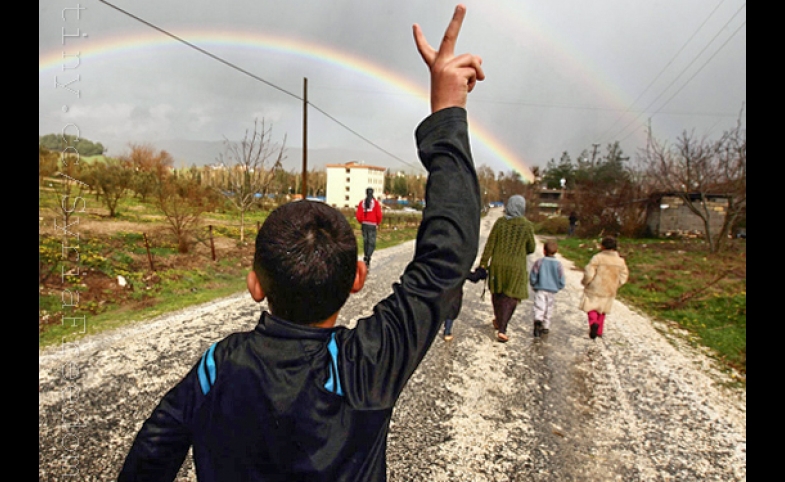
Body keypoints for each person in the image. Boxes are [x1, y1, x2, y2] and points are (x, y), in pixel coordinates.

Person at [118, 5, 484, 481]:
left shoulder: (218, 365)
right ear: (358, 278)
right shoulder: (368, 364)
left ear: (254, 284)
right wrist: (447, 112)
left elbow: (152, 451)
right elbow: (446, 259)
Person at [478, 194, 536, 342]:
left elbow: (490, 244)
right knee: (511, 297)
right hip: (516, 266)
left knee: (497, 293)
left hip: (498, 265)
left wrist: (483, 263)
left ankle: (498, 320)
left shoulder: (500, 223)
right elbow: (531, 248)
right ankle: (502, 328)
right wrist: (519, 250)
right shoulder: (527, 225)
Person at [579, 236, 629, 339]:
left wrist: (586, 282)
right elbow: (624, 275)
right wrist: (617, 284)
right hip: (609, 289)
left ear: (602, 246)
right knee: (602, 310)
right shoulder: (620, 261)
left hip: (595, 288)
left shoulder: (597, 258)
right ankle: (599, 331)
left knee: (591, 307)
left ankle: (593, 323)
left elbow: (589, 273)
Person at [528, 240, 566, 338]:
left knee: (539, 306)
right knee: (549, 307)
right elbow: (561, 276)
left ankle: (538, 320)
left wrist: (533, 283)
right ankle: (546, 326)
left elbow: (533, 274)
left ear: (544, 251)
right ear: (556, 251)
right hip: (552, 290)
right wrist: (560, 285)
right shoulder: (558, 264)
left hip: (540, 288)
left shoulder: (539, 262)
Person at [443, 267, 487, 341]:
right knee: (451, 310)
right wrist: (481, 272)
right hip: (454, 293)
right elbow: (473, 277)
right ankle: (447, 332)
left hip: (438, 291)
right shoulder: (459, 267)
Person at [356, 187, 383, 270]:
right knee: (372, 243)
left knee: (366, 241)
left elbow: (358, 215)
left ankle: (366, 256)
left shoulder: (362, 203)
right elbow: (379, 215)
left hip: (364, 224)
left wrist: (362, 221)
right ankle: (368, 256)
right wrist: (377, 223)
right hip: (372, 224)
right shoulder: (375, 203)